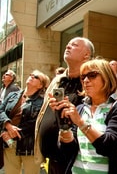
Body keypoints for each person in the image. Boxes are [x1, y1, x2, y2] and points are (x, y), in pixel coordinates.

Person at [48, 58, 117, 174]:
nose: (86, 80)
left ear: (107, 77)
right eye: (83, 77)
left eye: (92, 75)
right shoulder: (80, 108)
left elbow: (110, 146)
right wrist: (64, 125)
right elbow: (68, 151)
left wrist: (80, 122)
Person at [34, 37, 95, 174]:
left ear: (86, 54)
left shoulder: (91, 82)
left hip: (75, 163)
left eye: (74, 45)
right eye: (67, 44)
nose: (68, 46)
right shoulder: (58, 80)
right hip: (51, 161)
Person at [0, 70, 50, 174]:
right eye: (31, 74)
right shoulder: (13, 95)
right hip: (9, 143)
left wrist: (12, 134)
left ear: (41, 85)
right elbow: (0, 110)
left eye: (35, 77)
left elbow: (35, 123)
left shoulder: (42, 102)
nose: (31, 76)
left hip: (29, 146)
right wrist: (7, 125)